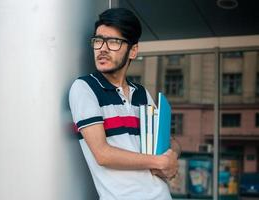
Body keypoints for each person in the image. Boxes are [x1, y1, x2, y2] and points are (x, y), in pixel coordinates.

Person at [69, 8, 180, 200]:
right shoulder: (85, 87)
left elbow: (169, 142)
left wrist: (172, 158)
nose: (102, 49)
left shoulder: (141, 94)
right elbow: (102, 154)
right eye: (98, 41)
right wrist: (159, 162)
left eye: (113, 42)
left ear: (133, 50)